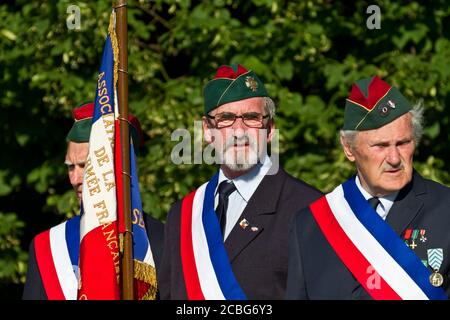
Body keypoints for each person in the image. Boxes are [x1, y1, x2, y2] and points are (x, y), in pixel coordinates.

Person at [158, 63, 321, 300]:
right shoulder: (182, 215)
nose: (239, 131)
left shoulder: (309, 208)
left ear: (270, 129)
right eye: (226, 119)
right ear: (207, 129)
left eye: (252, 118)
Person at [285, 76, 450, 300]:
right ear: (348, 148)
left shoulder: (444, 210)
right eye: (380, 146)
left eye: (403, 143)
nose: (394, 158)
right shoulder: (311, 224)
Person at [22, 102, 164, 300]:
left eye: (85, 166)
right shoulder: (46, 248)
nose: (74, 179)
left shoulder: (163, 241)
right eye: (71, 167)